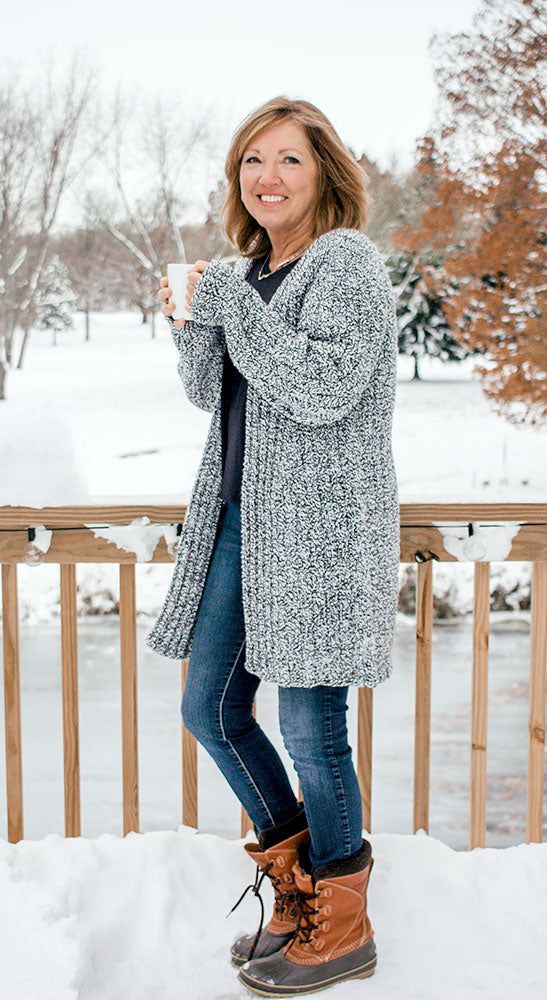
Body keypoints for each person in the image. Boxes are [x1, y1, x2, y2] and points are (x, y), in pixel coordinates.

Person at [149, 95, 400, 997]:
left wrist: (228, 305)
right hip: (235, 524)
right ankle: (300, 888)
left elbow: (325, 385)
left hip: (319, 536)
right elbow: (212, 394)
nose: (268, 177)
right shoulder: (249, 272)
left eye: (289, 159)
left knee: (308, 724)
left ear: (323, 171)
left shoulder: (346, 263)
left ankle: (344, 924)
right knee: (209, 710)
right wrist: (194, 322)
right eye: (253, 161)